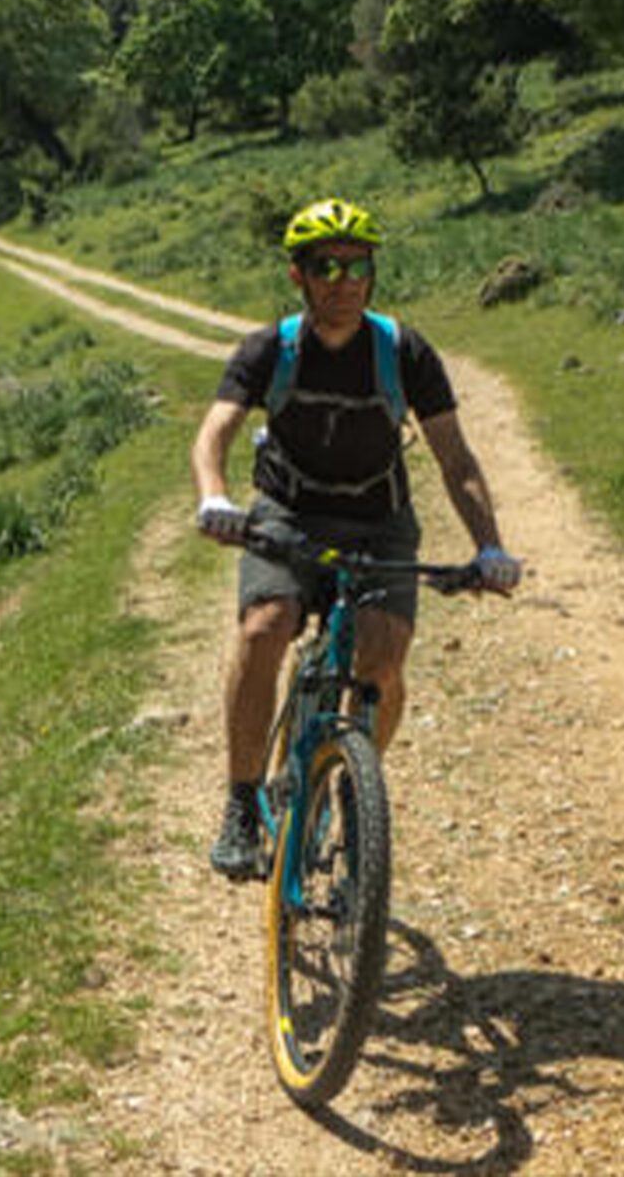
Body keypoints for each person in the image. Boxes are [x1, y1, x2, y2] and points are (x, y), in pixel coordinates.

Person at [190, 196, 520, 881]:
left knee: (382, 657)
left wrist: (489, 546)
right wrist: (214, 496)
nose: (341, 282)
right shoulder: (270, 349)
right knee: (265, 627)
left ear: (372, 274)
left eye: (355, 266)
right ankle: (243, 802)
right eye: (325, 267)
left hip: (380, 518)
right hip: (288, 512)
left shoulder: (403, 351)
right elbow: (215, 429)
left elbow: (456, 461)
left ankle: (354, 775)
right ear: (298, 276)